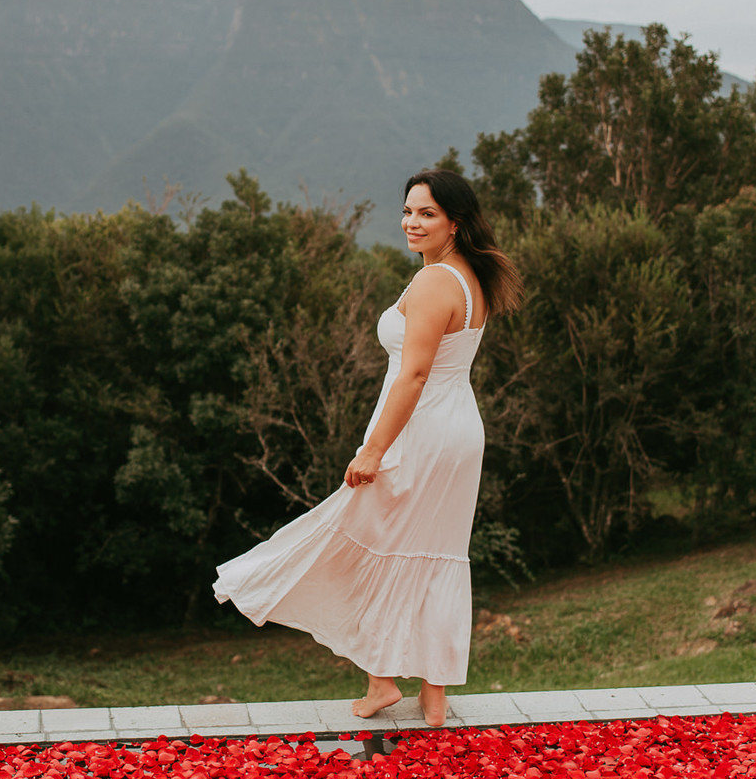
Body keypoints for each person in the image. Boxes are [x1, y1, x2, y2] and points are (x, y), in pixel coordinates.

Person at [213, 169, 523, 727]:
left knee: (360, 539)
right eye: (408, 211)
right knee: (434, 554)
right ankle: (431, 695)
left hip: (422, 431)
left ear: (455, 222)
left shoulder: (435, 283)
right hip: (456, 429)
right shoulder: (467, 278)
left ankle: (382, 682)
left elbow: (415, 375)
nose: (411, 221)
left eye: (427, 213)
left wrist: (373, 449)